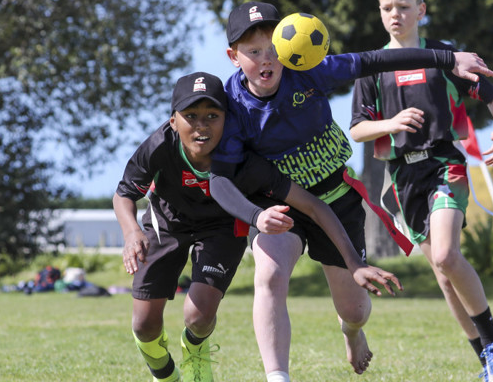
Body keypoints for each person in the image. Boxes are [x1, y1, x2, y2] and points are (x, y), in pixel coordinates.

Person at [208, 1, 493, 382]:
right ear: (233, 57)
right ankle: (277, 376)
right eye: (253, 51)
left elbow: (374, 60)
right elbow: (219, 179)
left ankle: (352, 332)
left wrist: (449, 58)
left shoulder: (309, 72)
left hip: (336, 197)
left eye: (272, 48)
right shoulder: (233, 109)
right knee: (270, 275)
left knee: (356, 310)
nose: (266, 59)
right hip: (280, 202)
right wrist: (255, 216)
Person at [113, 71, 401, 382]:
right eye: (190, 116)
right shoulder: (159, 146)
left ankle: (195, 349)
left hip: (221, 227)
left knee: (197, 317)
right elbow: (124, 194)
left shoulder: (244, 161)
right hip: (167, 224)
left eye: (212, 115)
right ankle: (167, 377)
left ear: (228, 120)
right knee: (144, 325)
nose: (201, 125)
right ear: (173, 121)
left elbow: (313, 206)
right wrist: (131, 233)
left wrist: (354, 263)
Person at [349, 0, 493, 382]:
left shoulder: (444, 57)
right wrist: (390, 123)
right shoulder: (371, 68)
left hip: (445, 163)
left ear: (420, 10)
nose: (395, 15)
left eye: (403, 7)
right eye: (387, 8)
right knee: (444, 277)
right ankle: (486, 360)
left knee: (445, 255)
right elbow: (356, 130)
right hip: (403, 179)